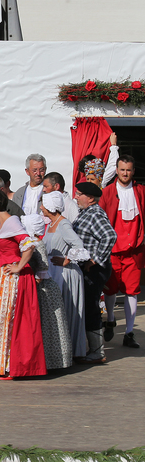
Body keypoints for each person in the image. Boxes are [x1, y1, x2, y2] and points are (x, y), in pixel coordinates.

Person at [0, 190, 46, 379]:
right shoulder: (2, 225)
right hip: (1, 276)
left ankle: (11, 366)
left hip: (11, 279)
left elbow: (28, 244)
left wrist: (19, 266)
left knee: (8, 320)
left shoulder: (12, 222)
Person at [100, 155, 144, 348]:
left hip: (134, 250)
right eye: (122, 169)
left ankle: (129, 332)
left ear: (133, 171)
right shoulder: (108, 192)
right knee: (110, 289)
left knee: (132, 291)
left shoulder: (141, 191)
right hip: (113, 250)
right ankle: (110, 318)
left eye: (129, 170)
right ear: (117, 170)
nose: (125, 173)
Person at [41, 192, 90, 360]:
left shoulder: (63, 224)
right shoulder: (51, 224)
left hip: (66, 274)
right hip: (54, 273)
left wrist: (67, 259)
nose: (41, 207)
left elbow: (79, 245)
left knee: (67, 311)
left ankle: (72, 352)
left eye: (43, 204)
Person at [22, 214, 74, 371]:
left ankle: (51, 360)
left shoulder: (37, 244)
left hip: (43, 289)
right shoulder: (35, 242)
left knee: (48, 324)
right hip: (41, 286)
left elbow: (43, 268)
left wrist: (34, 277)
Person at [73, 182, 117, 364]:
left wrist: (96, 259)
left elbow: (110, 235)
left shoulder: (95, 214)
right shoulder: (86, 212)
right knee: (88, 306)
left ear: (90, 198)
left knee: (91, 307)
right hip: (89, 268)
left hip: (94, 270)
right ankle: (91, 349)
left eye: (79, 194)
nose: (76, 197)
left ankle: (97, 352)